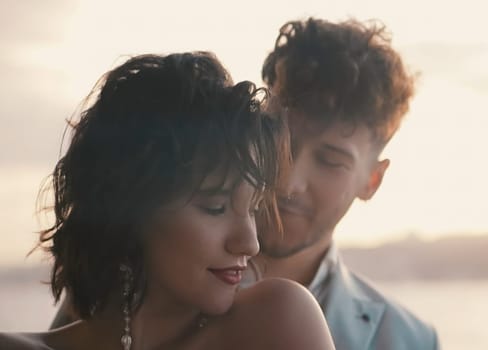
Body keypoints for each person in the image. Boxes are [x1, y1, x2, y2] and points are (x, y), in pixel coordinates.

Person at [1, 51, 335, 350]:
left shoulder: (277, 322)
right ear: (127, 208)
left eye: (252, 209)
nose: (249, 243)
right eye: (215, 207)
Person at [252, 18, 440, 350]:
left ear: (372, 181)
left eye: (330, 161)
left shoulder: (410, 342)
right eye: (280, 144)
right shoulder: (151, 284)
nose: (288, 183)